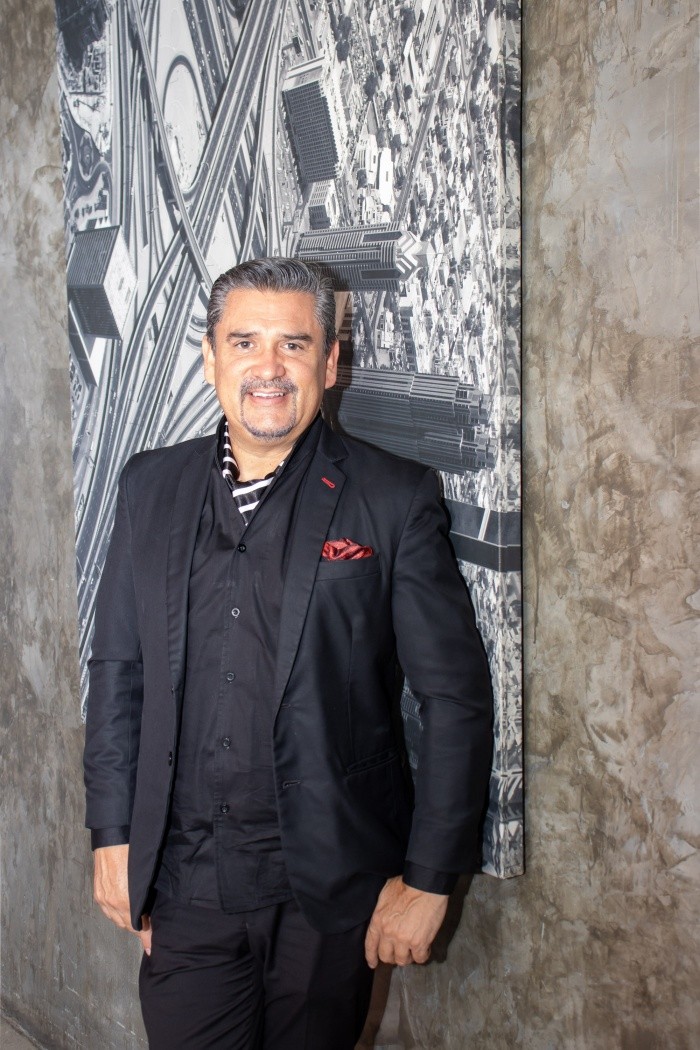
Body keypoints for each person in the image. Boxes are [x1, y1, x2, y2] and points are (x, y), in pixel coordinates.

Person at [84, 257, 493, 1050]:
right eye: (245, 342)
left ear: (330, 362)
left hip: (331, 893)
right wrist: (111, 833)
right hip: (184, 882)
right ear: (211, 357)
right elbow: (117, 671)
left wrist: (429, 879)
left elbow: (455, 700)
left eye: (294, 345)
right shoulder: (149, 487)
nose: (268, 367)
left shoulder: (394, 498)